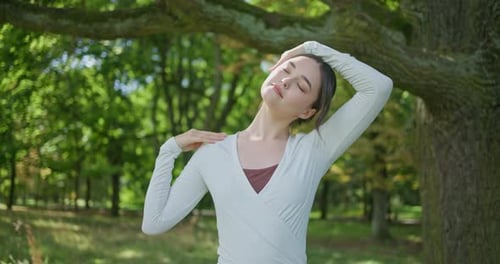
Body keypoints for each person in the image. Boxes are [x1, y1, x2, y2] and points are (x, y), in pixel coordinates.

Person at [142, 41, 393, 264]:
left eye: (301, 86)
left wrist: (312, 48)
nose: (286, 80)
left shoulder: (313, 150)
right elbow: (154, 223)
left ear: (307, 112)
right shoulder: (213, 153)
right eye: (286, 70)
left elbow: (379, 87)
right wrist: (169, 150)